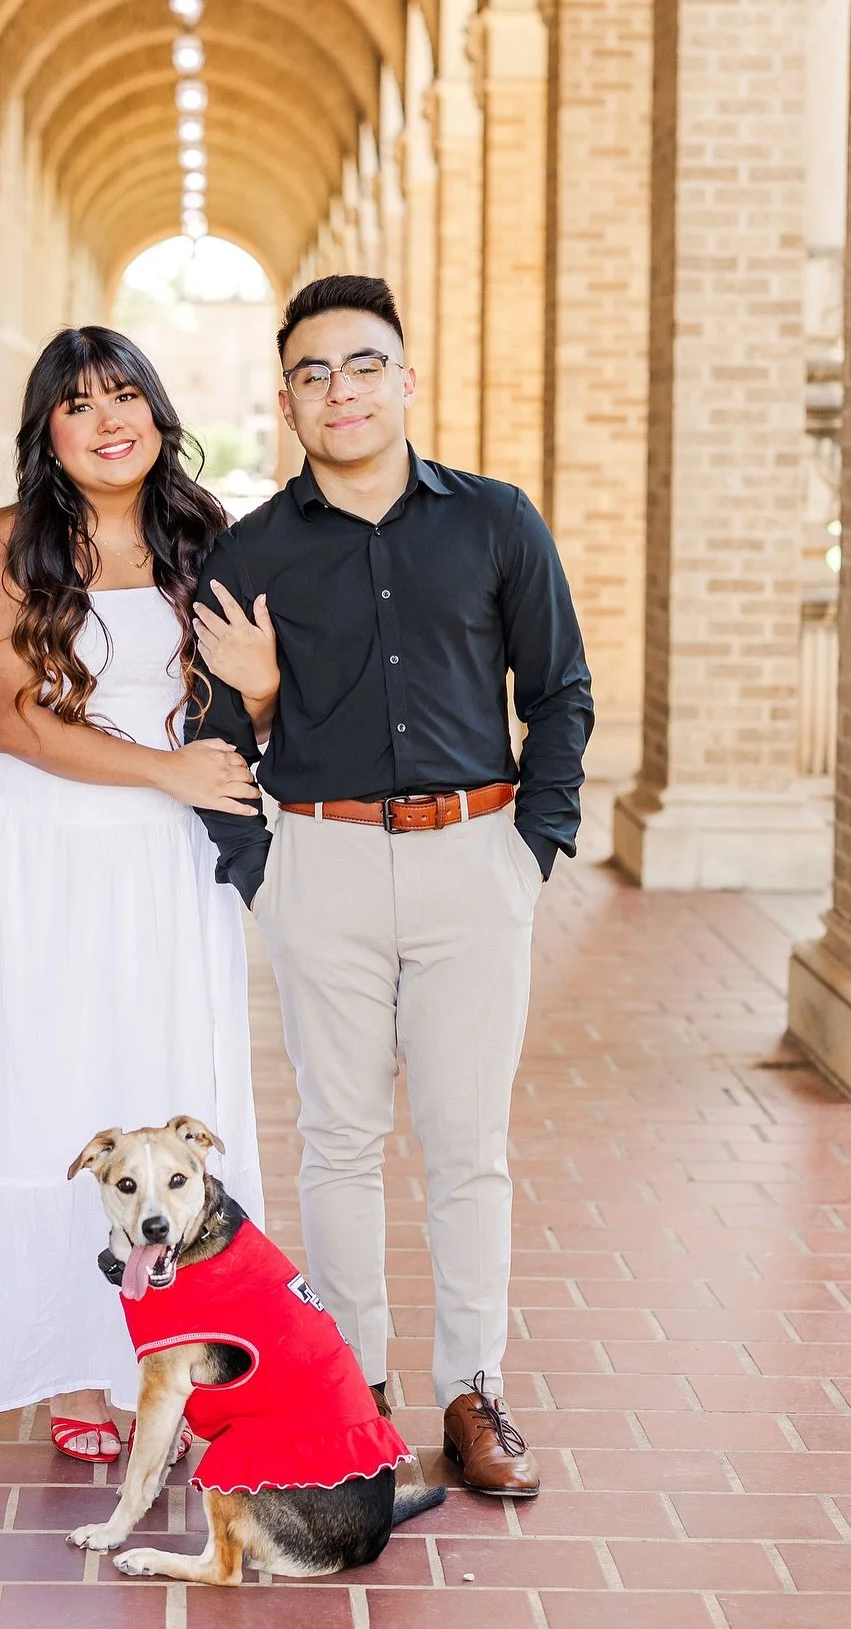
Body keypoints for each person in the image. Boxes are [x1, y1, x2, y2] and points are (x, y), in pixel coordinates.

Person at [188, 274, 593, 1498]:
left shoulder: (495, 522)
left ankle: (473, 1392)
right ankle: (353, 1393)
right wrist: (265, 876)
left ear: (405, 381)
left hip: (477, 861)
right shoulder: (247, 552)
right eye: (312, 375)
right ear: (289, 402)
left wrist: (533, 849)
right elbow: (218, 742)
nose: (340, 391)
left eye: (362, 366)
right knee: (342, 1144)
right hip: (325, 869)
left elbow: (560, 691)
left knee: (469, 1147)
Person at [0, 326, 273, 1461]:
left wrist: (256, 710)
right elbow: (9, 719)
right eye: (78, 403)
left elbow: (254, 693)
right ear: (48, 429)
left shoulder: (210, 536)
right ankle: (70, 1373)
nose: (109, 419)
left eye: (126, 394)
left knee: (158, 1081)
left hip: (162, 862)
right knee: (43, 1090)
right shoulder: (11, 541)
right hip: (34, 855)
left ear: (157, 410)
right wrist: (164, 768)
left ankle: (171, 1351)